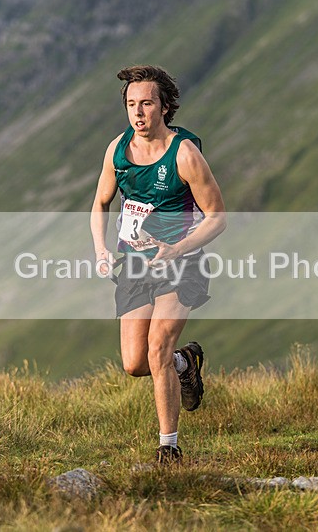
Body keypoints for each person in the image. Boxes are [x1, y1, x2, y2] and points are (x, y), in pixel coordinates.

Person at [90, 65, 226, 464]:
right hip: (134, 265)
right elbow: (100, 202)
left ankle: (169, 446)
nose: (138, 112)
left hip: (180, 263)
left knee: (157, 347)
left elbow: (218, 217)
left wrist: (179, 248)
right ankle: (186, 363)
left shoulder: (185, 154)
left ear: (165, 107)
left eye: (147, 103)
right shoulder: (118, 150)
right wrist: (100, 250)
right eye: (132, 104)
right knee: (135, 364)